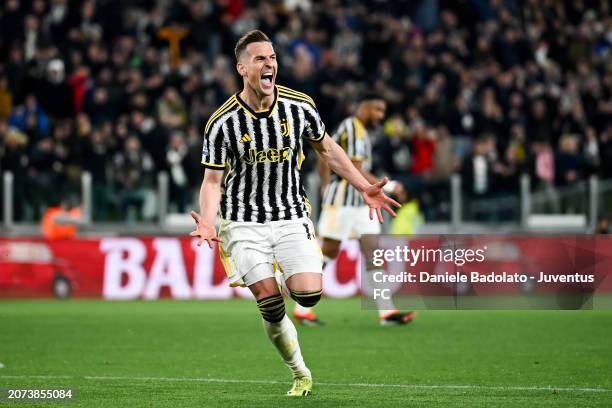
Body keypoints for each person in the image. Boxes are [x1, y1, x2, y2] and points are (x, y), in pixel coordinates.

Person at [189, 30, 400, 397]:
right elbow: (212, 181)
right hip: (243, 222)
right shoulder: (222, 123)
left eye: (272, 58)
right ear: (242, 68)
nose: (269, 64)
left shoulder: (299, 105)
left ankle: (288, 282)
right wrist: (208, 220)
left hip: (290, 216)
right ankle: (299, 371)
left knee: (308, 295)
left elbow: (328, 149)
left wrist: (362, 185)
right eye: (260, 59)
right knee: (270, 302)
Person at [293, 94, 416, 326]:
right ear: (364, 106)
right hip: (343, 202)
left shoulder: (357, 130)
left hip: (361, 204)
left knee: (373, 253)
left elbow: (322, 153)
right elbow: (356, 168)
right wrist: (390, 186)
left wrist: (325, 182)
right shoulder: (354, 127)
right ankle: (301, 307)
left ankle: (387, 312)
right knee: (328, 251)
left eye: (383, 110)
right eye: (377, 109)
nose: (381, 115)